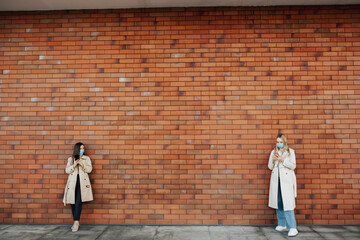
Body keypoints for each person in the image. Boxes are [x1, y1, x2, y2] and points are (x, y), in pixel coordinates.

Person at [268, 134, 298, 237]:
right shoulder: (273, 152)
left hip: (287, 181)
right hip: (276, 181)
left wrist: (282, 160)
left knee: (288, 203)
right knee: (279, 202)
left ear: (284, 142)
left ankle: (292, 227)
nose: (279, 144)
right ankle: (282, 224)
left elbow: (293, 166)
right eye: (277, 142)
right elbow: (270, 167)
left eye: (281, 142)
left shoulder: (290, 152)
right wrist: (273, 159)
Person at [63, 142, 93, 232]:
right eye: (80, 148)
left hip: (82, 183)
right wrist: (74, 165)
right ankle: (75, 221)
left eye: (83, 148)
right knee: (72, 202)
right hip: (73, 183)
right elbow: (67, 170)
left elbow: (89, 169)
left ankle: (76, 222)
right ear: (76, 149)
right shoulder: (71, 159)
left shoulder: (86, 158)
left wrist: (83, 165)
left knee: (78, 201)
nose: (82, 150)